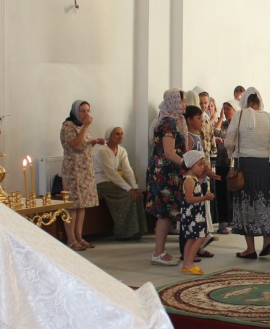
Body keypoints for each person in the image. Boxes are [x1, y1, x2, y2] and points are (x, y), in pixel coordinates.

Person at [224, 87, 270, 259]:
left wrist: (231, 154)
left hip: (244, 165)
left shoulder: (239, 116)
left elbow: (229, 142)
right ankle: (267, 240)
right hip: (263, 166)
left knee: (245, 203)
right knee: (264, 201)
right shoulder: (269, 118)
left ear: (245, 101)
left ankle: (250, 248)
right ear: (259, 101)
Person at [145, 88, 186, 265]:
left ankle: (160, 252)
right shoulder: (168, 122)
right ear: (174, 102)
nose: (185, 104)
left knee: (167, 213)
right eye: (182, 101)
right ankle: (158, 253)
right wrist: (186, 164)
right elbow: (169, 152)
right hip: (164, 173)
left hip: (168, 172)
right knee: (164, 213)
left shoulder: (174, 121)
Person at [59, 100, 106, 251]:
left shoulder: (81, 126)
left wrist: (94, 141)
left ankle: (79, 236)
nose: (86, 114)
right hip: (73, 170)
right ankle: (71, 239)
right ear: (75, 111)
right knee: (72, 205)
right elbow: (75, 144)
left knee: (82, 204)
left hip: (85, 169)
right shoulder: (68, 126)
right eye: (82, 111)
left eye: (88, 110)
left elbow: (83, 142)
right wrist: (86, 127)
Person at [179, 106, 221, 262]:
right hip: (194, 179)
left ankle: (197, 249)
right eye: (198, 118)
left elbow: (201, 159)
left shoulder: (197, 136)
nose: (201, 122)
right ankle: (187, 254)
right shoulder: (188, 138)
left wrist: (208, 172)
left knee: (199, 221)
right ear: (189, 120)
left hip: (200, 178)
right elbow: (190, 159)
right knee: (190, 225)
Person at [93, 126, 147, 241]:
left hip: (114, 182)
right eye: (117, 134)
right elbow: (111, 173)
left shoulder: (122, 150)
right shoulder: (103, 150)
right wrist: (128, 189)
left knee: (137, 196)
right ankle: (124, 232)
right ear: (109, 136)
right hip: (102, 183)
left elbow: (127, 170)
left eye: (122, 133)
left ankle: (137, 231)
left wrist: (134, 187)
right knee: (127, 196)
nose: (120, 136)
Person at [179, 149, 214, 275]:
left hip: (196, 214)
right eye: (199, 165)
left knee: (191, 239)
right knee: (200, 237)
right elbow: (189, 199)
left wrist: (203, 176)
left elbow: (197, 189)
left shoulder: (193, 178)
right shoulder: (189, 180)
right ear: (190, 164)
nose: (202, 167)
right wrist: (205, 198)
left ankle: (186, 264)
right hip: (192, 215)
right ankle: (189, 263)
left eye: (203, 164)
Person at [214, 100, 237, 234]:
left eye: (228, 108)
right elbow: (214, 133)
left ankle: (234, 220)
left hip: (233, 163)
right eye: (224, 108)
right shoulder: (222, 124)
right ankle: (222, 222)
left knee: (233, 192)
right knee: (221, 192)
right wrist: (220, 117)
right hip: (221, 162)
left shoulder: (237, 125)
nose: (226, 111)